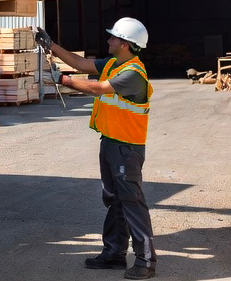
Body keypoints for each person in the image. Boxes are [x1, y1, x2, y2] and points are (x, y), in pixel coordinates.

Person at [37, 18, 156, 280]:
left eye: (114, 37)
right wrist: (52, 46)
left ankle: (146, 261)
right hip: (111, 143)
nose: (109, 40)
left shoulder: (133, 74)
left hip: (127, 148)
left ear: (125, 44)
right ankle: (114, 253)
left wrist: (64, 80)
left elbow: (99, 88)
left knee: (132, 203)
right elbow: (81, 64)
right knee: (114, 200)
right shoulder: (113, 63)